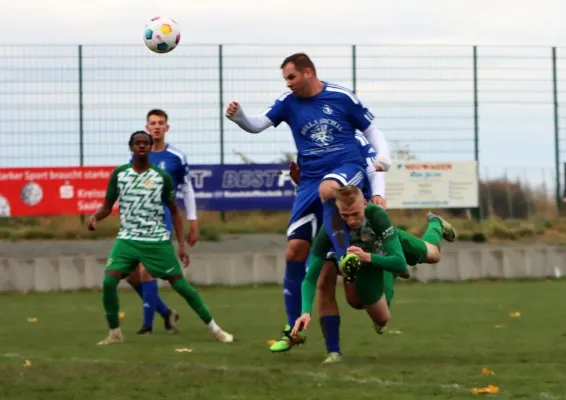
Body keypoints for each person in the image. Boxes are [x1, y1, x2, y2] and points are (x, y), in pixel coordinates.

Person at [225, 52, 391, 352]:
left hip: (346, 169)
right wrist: (239, 118)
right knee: (294, 251)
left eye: (291, 77)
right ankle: (293, 329)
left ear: (308, 73)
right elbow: (259, 124)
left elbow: (371, 130)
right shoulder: (288, 102)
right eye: (285, 79)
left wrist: (383, 161)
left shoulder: (341, 97)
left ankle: (348, 258)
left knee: (330, 193)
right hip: (310, 181)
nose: (287, 84)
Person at [88, 131, 233, 345]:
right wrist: (95, 217)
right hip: (127, 239)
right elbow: (107, 207)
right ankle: (115, 333)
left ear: (149, 147)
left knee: (181, 286)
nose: (141, 146)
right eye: (137, 143)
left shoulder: (161, 177)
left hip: (155, 240)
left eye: (145, 143)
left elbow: (174, 211)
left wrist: (181, 245)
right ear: (131, 147)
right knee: (109, 281)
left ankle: (215, 329)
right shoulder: (119, 174)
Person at [291, 185, 456, 363]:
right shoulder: (332, 226)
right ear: (338, 210)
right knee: (370, 312)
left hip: (391, 245)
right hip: (370, 262)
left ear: (364, 203)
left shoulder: (377, 216)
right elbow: (310, 278)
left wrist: (367, 256)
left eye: (355, 213)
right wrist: (305, 311)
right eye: (345, 215)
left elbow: (400, 263)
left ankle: (435, 222)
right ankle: (387, 273)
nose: (351, 220)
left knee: (434, 255)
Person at [124, 109, 199, 335]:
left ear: (167, 128)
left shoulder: (176, 157)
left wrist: (192, 222)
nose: (157, 127)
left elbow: (187, 189)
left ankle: (147, 327)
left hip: (163, 220)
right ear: (147, 128)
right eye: (153, 123)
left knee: (147, 269)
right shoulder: (137, 157)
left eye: (161, 123)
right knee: (129, 273)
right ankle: (166, 313)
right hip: (138, 221)